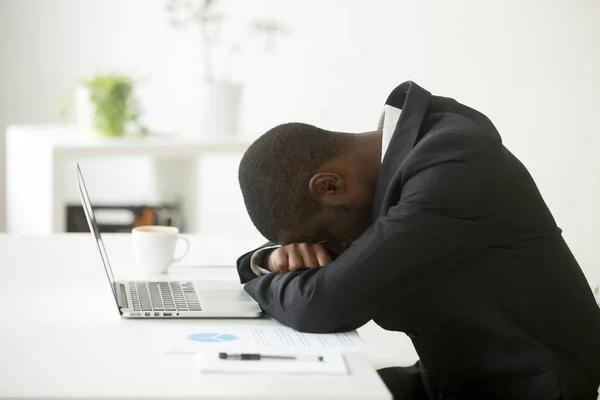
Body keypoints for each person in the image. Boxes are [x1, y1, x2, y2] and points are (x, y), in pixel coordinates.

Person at [235, 81, 600, 399]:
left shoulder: (455, 166)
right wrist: (271, 262)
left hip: (526, 389)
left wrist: (268, 285)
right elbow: (275, 273)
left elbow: (324, 305)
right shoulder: (411, 156)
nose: (332, 248)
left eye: (324, 235)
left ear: (330, 185)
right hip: (455, 376)